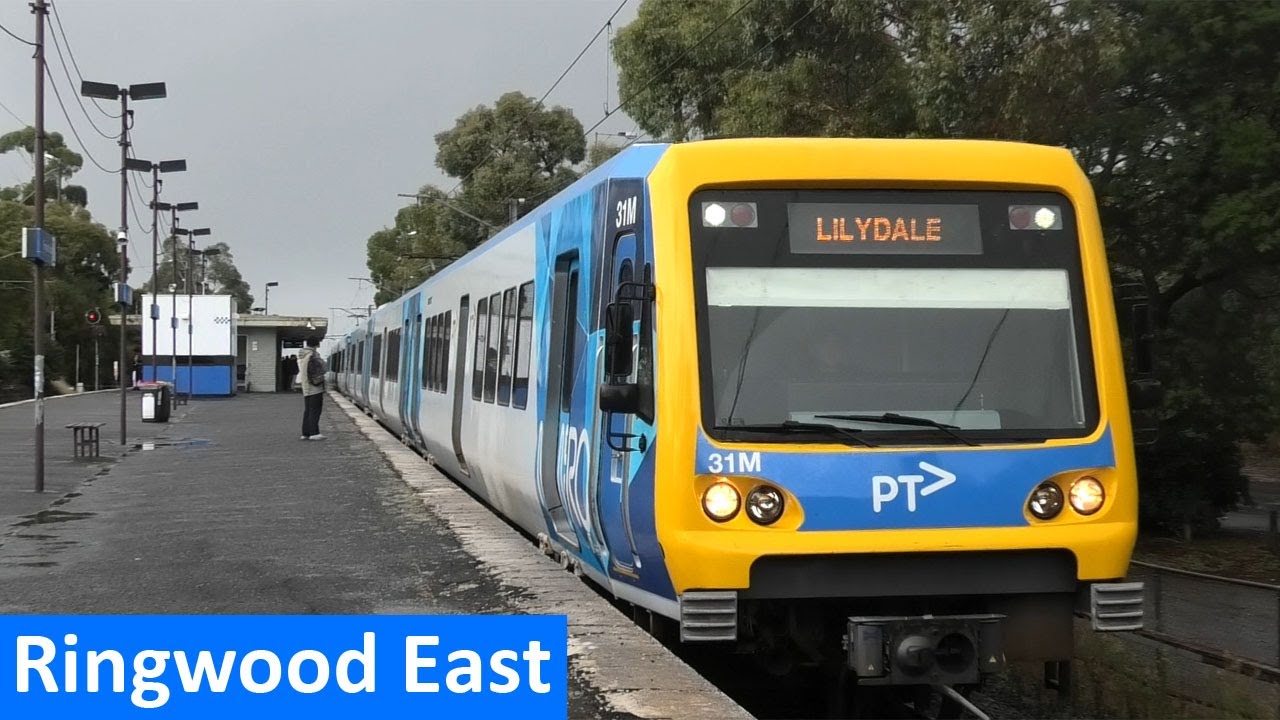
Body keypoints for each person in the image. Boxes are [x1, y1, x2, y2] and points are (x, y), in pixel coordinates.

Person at [298, 337, 326, 440]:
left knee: (308, 410)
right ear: (317, 345)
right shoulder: (312, 355)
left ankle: (306, 433)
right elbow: (322, 367)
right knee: (315, 410)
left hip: (306, 386)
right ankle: (314, 433)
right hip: (315, 386)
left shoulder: (302, 354)